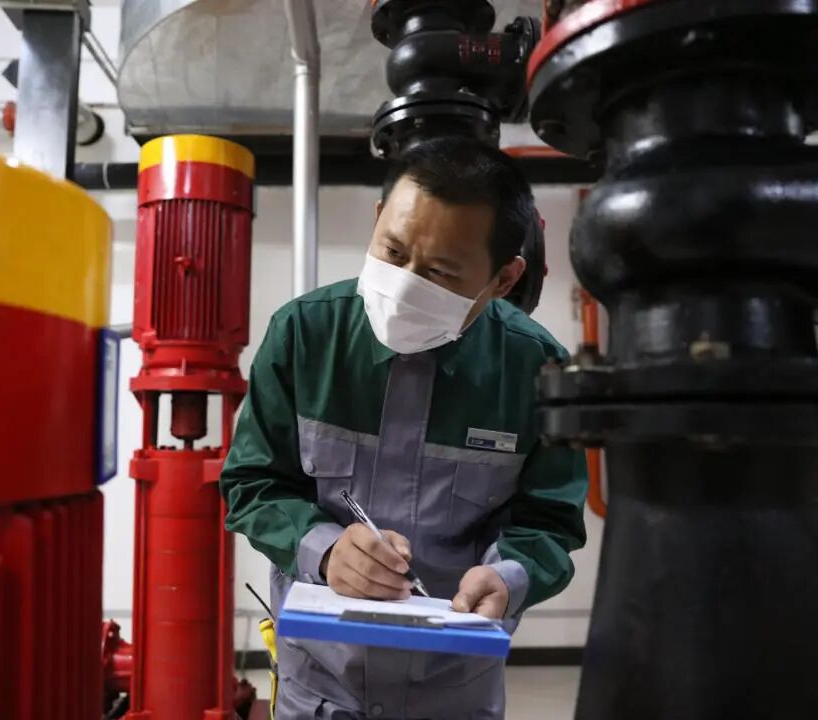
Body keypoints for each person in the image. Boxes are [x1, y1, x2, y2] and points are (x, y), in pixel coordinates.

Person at [220, 136, 588, 720]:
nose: (405, 284)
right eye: (392, 252)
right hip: (319, 686)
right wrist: (323, 549)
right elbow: (251, 485)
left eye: (440, 272)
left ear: (503, 279)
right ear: (377, 219)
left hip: (452, 687)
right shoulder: (304, 337)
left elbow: (549, 522)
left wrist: (507, 577)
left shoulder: (535, 370)